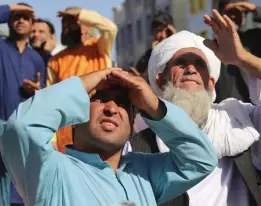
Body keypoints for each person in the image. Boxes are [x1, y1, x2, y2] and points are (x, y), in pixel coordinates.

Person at [134, 9, 261, 206]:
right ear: (159, 79)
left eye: (200, 64)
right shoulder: (141, 143)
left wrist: (242, 59)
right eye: (181, 63)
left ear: (211, 82)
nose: (191, 69)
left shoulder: (242, 123)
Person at [0, 68, 218, 206]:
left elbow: (201, 160)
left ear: (132, 127)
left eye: (123, 104)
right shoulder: (49, 171)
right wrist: (86, 82)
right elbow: (21, 127)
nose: (112, 109)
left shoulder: (143, 174)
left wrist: (154, 105)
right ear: (74, 115)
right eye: (101, 99)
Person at [47, 6, 118, 153]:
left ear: (86, 27)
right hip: (66, 135)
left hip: (99, 125)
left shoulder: (99, 48)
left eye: (72, 22)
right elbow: (50, 102)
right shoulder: (55, 61)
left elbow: (110, 29)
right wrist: (51, 138)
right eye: (64, 23)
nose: (66, 27)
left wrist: (80, 14)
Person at [0, 3, 46, 206]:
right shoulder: (0, 48)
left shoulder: (36, 59)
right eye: (16, 17)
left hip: (23, 132)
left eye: (25, 17)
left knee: (19, 189)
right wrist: (11, 7)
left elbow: (43, 97)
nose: (20, 21)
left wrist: (36, 90)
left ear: (31, 24)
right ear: (9, 21)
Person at [214, 0, 261, 103]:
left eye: (237, 13)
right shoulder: (210, 46)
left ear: (244, 19)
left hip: (252, 110)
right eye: (229, 13)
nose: (232, 17)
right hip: (222, 110)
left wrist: (254, 9)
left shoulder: (252, 40)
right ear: (220, 16)